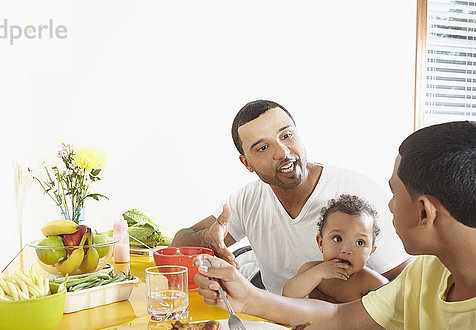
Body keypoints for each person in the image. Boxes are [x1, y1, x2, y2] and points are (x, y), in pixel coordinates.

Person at [193, 121, 476, 330]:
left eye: (394, 193)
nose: (389, 206)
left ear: (424, 212)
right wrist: (249, 298)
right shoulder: (428, 271)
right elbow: (339, 319)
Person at [171, 100, 411, 296]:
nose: (283, 152)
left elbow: (407, 281)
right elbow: (178, 246)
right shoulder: (247, 200)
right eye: (262, 148)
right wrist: (206, 239)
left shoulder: (359, 194)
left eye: (286, 136)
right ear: (247, 163)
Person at [282, 194, 388, 330]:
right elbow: (289, 297)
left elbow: (396, 309)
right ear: (321, 243)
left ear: (371, 251)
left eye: (360, 243)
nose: (347, 250)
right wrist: (317, 274)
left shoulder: (372, 281)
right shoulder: (312, 270)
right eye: (337, 239)